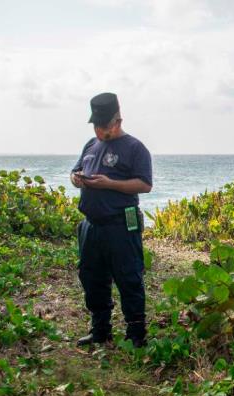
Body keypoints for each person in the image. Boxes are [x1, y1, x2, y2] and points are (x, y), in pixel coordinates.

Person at [70, 92, 153, 348]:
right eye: (96, 126)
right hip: (91, 224)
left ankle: (136, 333)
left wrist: (110, 184)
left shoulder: (135, 148)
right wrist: (77, 179)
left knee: (128, 276)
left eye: (104, 127)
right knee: (91, 275)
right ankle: (100, 329)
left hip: (120, 223)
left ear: (117, 121)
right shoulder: (90, 145)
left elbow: (145, 184)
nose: (99, 132)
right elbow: (75, 171)